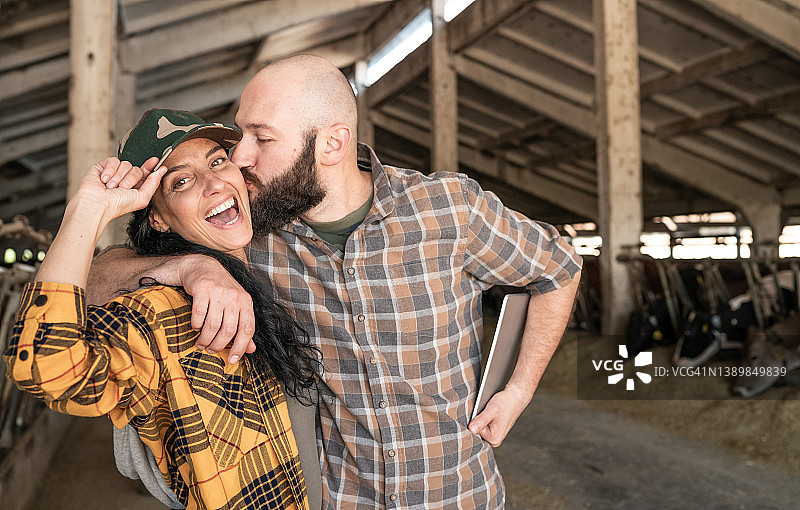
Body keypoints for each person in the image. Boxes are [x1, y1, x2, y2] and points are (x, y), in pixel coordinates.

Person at [89, 55, 583, 509]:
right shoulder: (249, 234)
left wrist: (519, 390)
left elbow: (559, 267)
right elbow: (92, 280)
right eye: (241, 136)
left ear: (332, 143)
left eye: (262, 138)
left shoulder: (448, 208)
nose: (240, 157)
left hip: (460, 493)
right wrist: (191, 267)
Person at [4, 109, 322, 510]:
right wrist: (86, 210)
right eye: (181, 181)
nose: (214, 183)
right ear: (158, 218)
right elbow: (46, 365)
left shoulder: (271, 254)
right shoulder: (164, 311)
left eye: (217, 161)